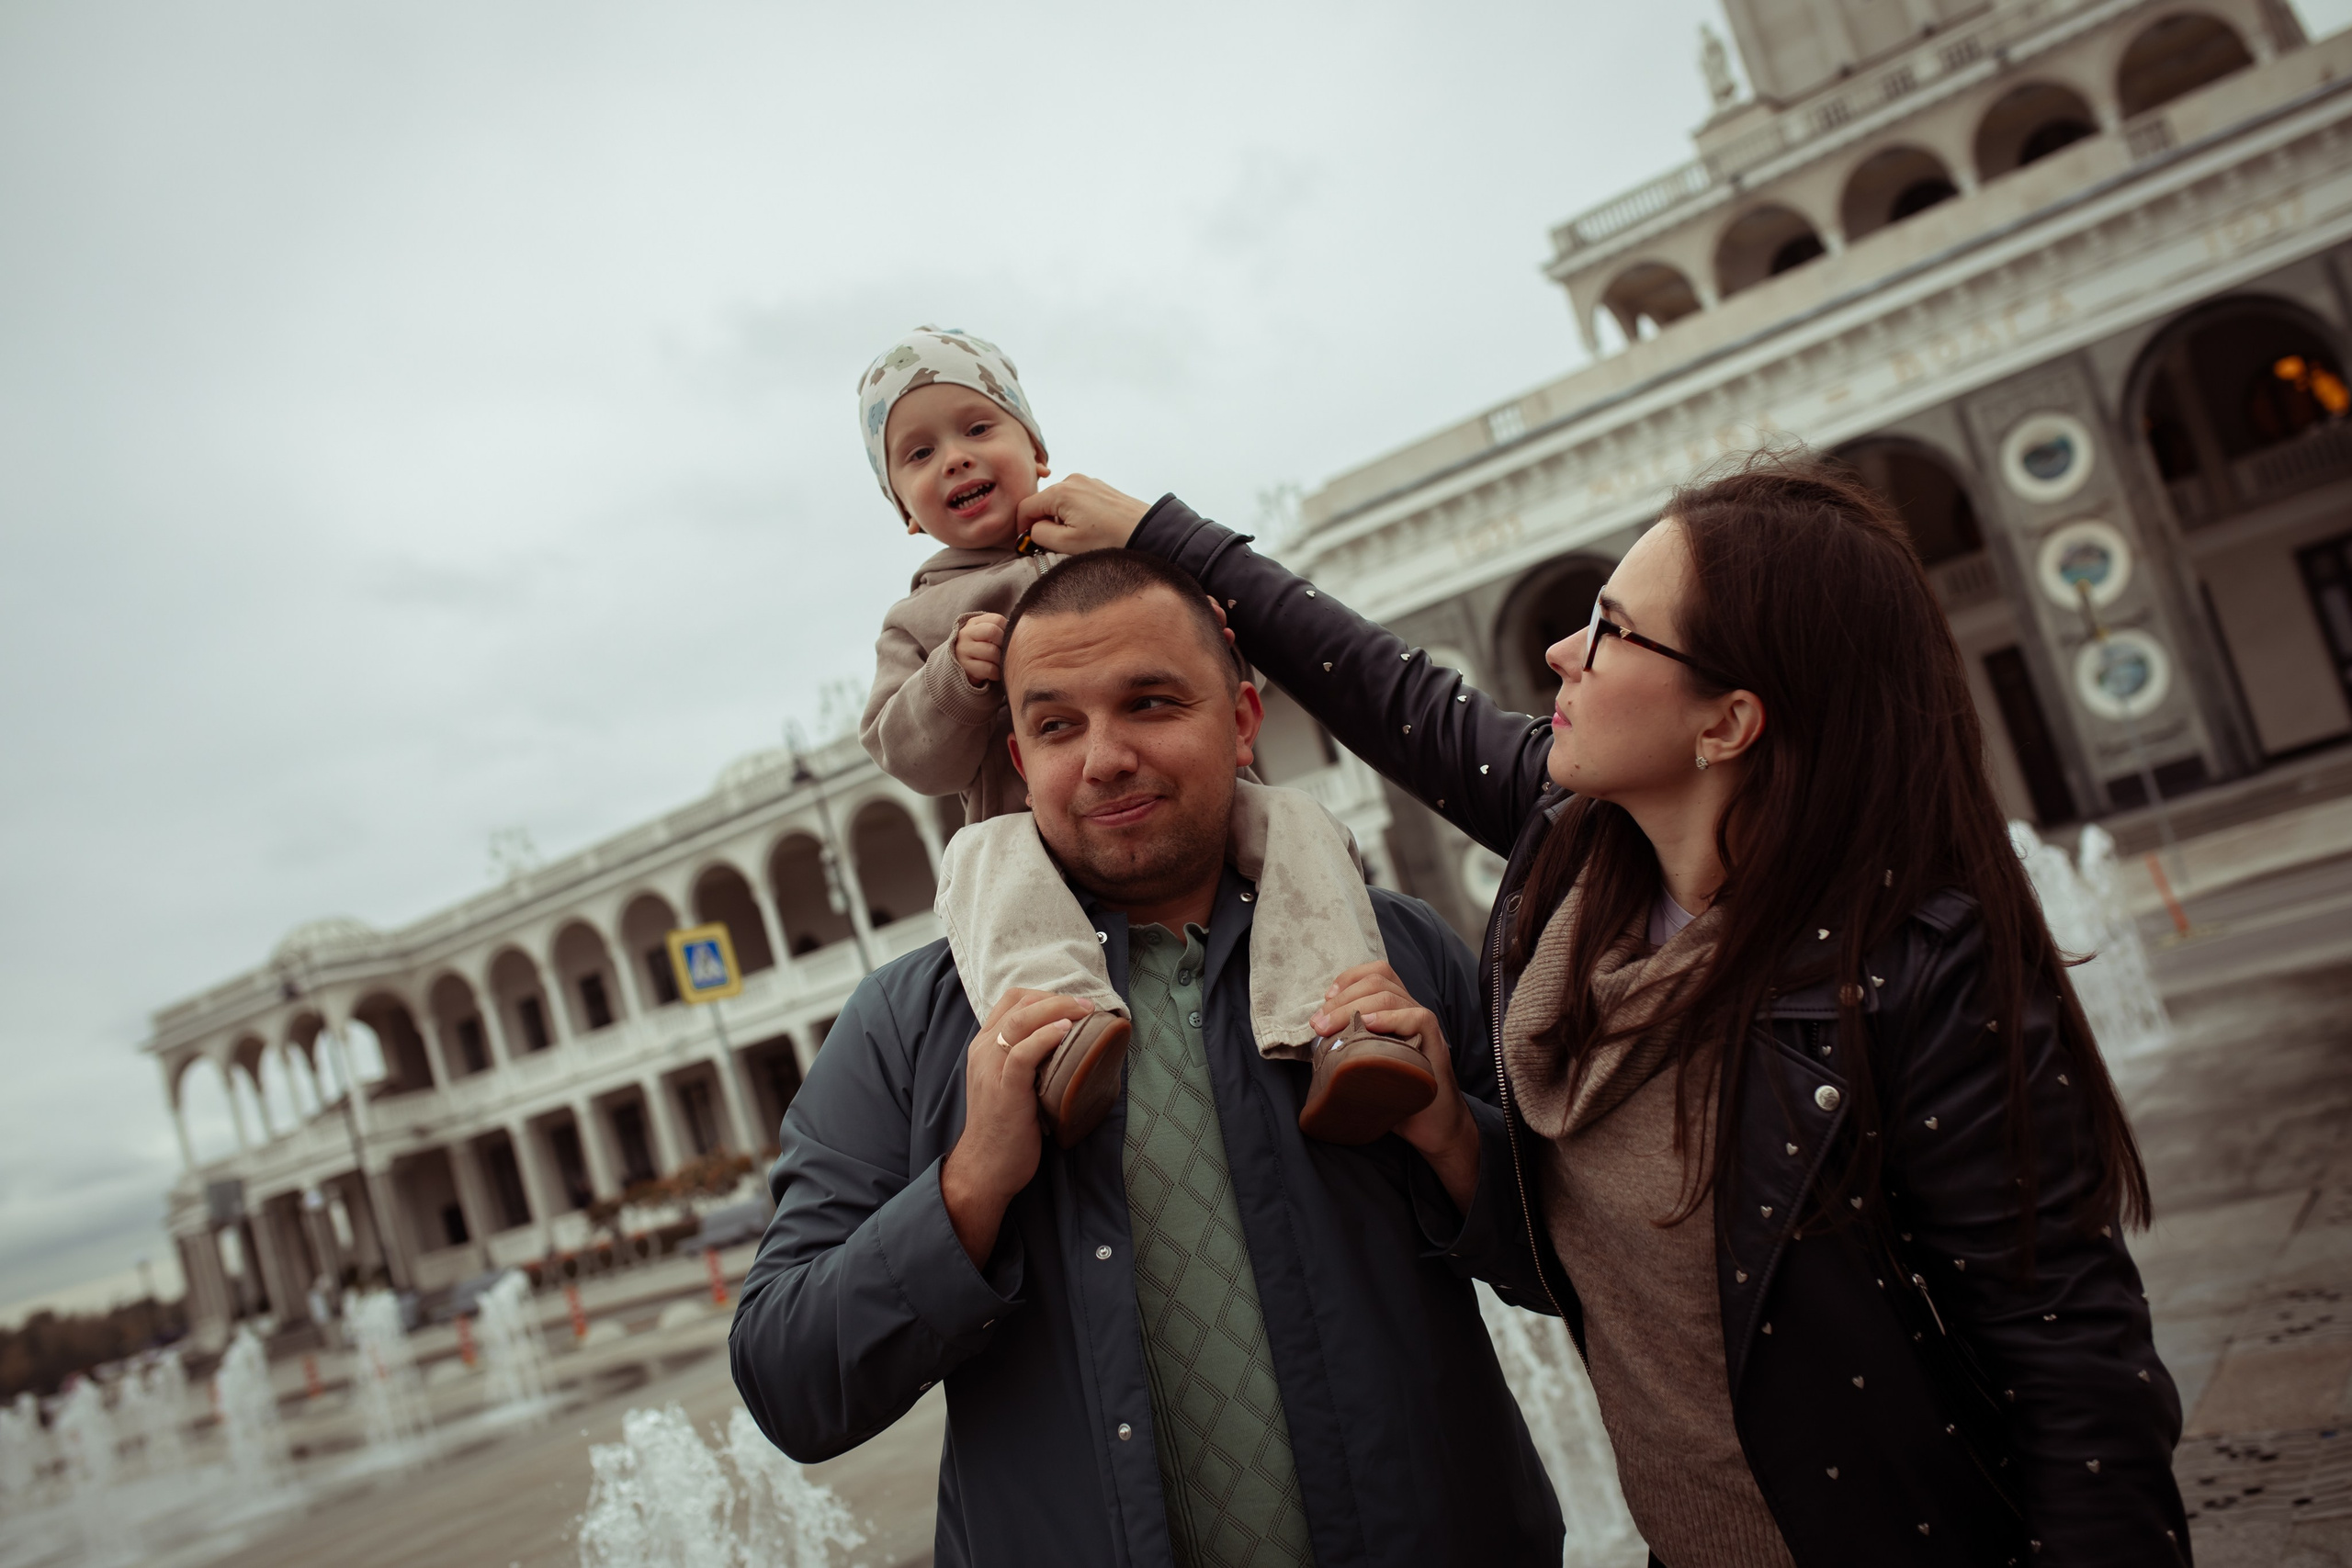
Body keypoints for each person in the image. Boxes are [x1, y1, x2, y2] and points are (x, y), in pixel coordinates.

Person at [1024, 459, 2191, 1566]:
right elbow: (1384, 690)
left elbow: (2076, 1374)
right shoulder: (1577, 863)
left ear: (1725, 724)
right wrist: (1155, 538)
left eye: (1613, 630)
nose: (1559, 650)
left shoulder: (1912, 970)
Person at [731, 548, 1565, 1567]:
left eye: (1152, 704)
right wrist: (967, 1188)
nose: (1105, 757)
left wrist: (1453, 1137)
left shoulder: (1389, 956)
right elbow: (789, 1384)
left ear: (1244, 721)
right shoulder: (914, 1022)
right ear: (1018, 757)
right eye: (1056, 726)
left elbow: (1595, 1267)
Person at [853, 327, 1432, 1145]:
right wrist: (954, 677)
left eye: (978, 428)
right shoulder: (920, 621)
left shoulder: (1111, 544)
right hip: (1038, 846)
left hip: (1190, 815)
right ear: (903, 511)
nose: (953, 457)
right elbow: (908, 755)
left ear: (1037, 446)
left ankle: (1342, 1025)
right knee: (978, 860)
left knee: (1300, 823)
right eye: (917, 452)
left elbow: (1228, 684)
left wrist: (1217, 633)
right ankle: (1063, 1037)